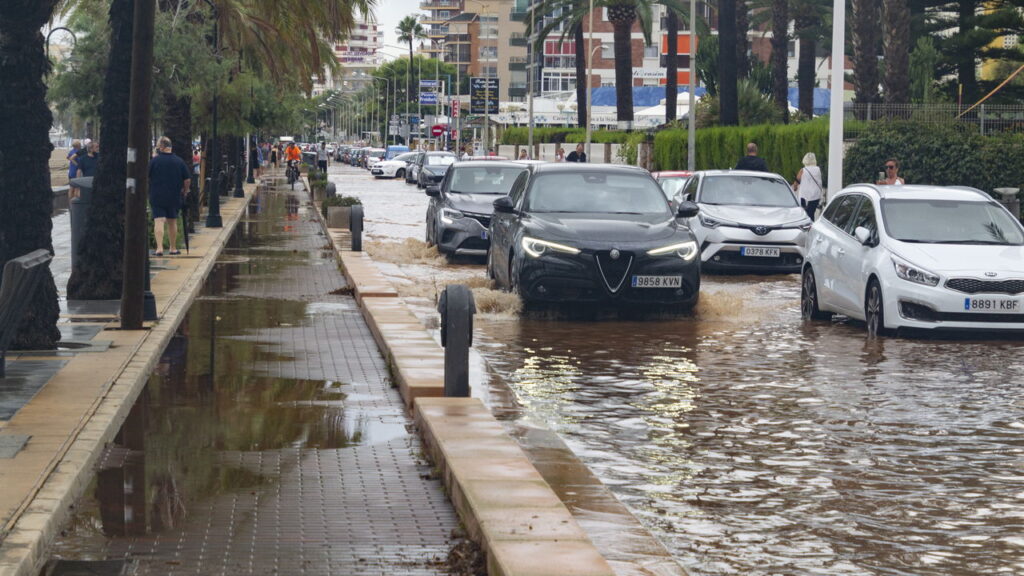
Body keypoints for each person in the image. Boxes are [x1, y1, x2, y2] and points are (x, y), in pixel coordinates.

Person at [148, 136, 191, 256]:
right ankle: (173, 248)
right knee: (172, 222)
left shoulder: (154, 161)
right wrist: (185, 191)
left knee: (159, 220)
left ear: (161, 147)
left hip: (157, 195)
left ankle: (159, 248)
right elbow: (187, 179)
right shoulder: (179, 161)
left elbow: (147, 175)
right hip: (174, 195)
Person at [792, 152, 824, 220]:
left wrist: (795, 187)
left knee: (805, 214)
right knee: (811, 212)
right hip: (816, 195)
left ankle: (808, 226)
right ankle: (811, 225)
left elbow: (796, 181)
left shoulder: (803, 170)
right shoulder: (818, 169)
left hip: (805, 196)